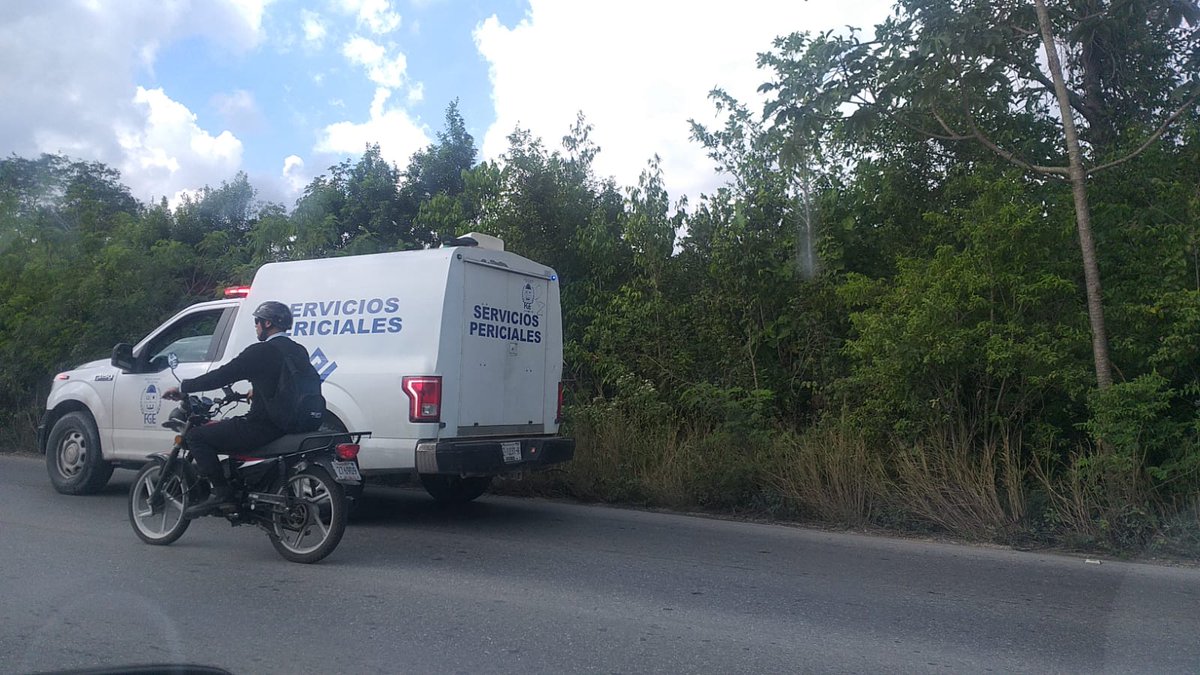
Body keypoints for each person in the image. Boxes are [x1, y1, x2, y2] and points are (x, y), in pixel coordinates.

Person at [163, 300, 317, 518]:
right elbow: (286, 383)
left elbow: (222, 375)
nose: (255, 327)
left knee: (197, 436)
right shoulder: (298, 350)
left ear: (266, 323)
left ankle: (220, 491)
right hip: (290, 424)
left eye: (257, 322)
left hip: (263, 427)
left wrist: (184, 387)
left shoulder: (260, 351)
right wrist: (259, 391)